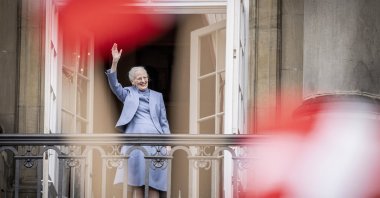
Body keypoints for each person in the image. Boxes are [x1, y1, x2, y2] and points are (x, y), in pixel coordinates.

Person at [106, 43, 170, 198]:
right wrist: (115, 61)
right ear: (133, 82)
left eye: (145, 77)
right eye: (139, 78)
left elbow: (164, 121)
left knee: (155, 181)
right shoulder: (128, 93)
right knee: (137, 182)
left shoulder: (157, 96)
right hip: (135, 142)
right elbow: (114, 85)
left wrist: (168, 142)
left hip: (156, 143)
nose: (143, 80)